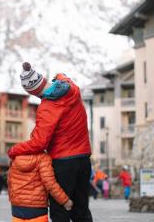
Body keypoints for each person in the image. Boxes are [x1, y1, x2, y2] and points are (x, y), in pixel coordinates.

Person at [8, 63, 92, 222]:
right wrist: (59, 76)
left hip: (64, 163)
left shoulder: (47, 108)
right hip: (84, 159)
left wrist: (14, 150)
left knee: (60, 212)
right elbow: (62, 76)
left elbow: (39, 143)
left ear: (33, 92)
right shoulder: (72, 87)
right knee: (81, 211)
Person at [8, 153, 73, 222]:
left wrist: (13, 200)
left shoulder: (15, 158)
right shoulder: (43, 158)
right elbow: (50, 183)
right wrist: (64, 200)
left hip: (17, 209)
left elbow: (10, 182)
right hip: (36, 209)